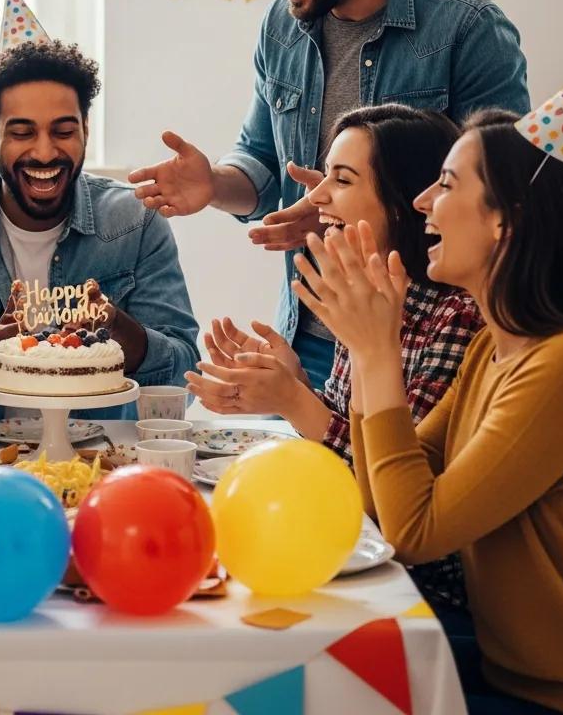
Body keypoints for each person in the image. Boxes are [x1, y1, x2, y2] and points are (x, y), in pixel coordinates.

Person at [128, 0, 529, 391]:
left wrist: (358, 211)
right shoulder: (281, 23)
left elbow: (504, 200)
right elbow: (261, 161)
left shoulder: (467, 30)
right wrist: (214, 185)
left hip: (424, 341)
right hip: (310, 333)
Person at [291, 106, 563, 714]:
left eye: (447, 184)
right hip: (501, 668)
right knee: (309, 665)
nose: (423, 201)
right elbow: (382, 501)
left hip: (551, 695)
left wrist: (376, 355)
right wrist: (373, 345)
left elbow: (415, 532)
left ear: (506, 220)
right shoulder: (491, 349)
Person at [187, 104, 482, 611]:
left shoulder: (456, 316)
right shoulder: (367, 293)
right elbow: (360, 440)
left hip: (420, 596)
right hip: (357, 562)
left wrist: (295, 402)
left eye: (340, 180)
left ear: (403, 201)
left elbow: (393, 496)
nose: (315, 196)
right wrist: (293, 382)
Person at [0, 0, 199, 420]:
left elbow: (185, 383)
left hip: (100, 459)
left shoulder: (136, 223)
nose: (46, 153)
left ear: (86, 129)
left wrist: (118, 330)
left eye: (64, 130)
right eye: (23, 132)